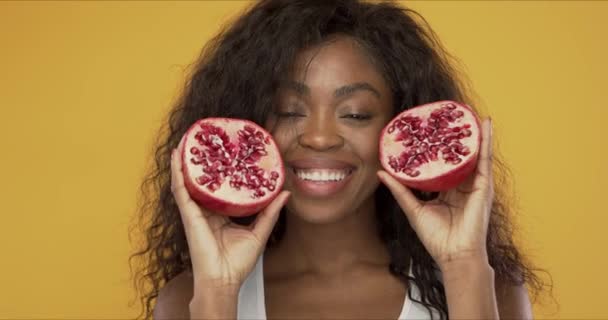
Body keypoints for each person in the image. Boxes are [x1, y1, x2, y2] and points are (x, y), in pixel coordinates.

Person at [130, 0, 548, 319]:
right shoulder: (190, 300)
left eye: (356, 114)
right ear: (250, 122)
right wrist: (218, 290)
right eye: (289, 110)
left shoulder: (490, 293)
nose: (319, 136)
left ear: (397, 124)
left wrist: (462, 266)